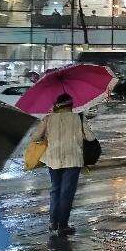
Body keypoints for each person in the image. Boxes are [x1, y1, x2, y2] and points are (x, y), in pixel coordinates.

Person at [30, 94, 95, 236]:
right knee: (67, 192)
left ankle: (53, 222)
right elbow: (90, 137)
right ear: (71, 104)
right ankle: (63, 225)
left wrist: (46, 134)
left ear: (58, 104)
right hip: (73, 160)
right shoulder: (78, 117)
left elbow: (34, 137)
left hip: (53, 159)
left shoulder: (48, 117)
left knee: (55, 190)